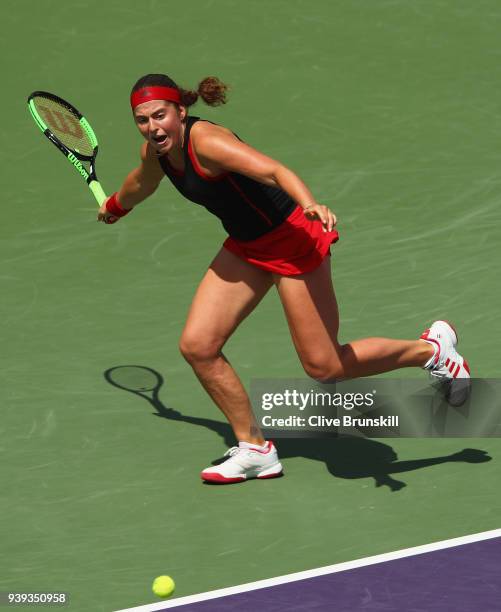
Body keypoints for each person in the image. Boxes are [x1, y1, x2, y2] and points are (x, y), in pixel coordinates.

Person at [98, 74, 470, 484]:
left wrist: (309, 203)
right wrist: (117, 206)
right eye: (142, 119)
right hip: (247, 246)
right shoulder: (157, 153)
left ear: (180, 112)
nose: (153, 127)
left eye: (160, 115)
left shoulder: (207, 143)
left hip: (294, 238)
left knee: (325, 367)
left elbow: (274, 171)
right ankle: (255, 449)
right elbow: (141, 182)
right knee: (198, 346)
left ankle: (432, 351)